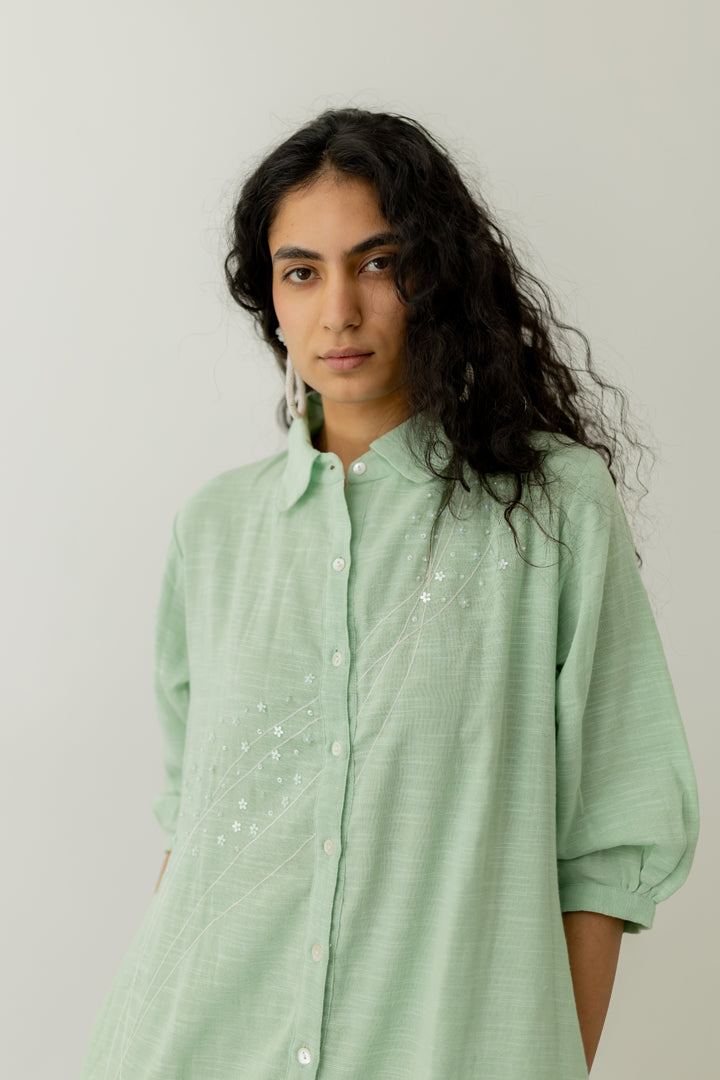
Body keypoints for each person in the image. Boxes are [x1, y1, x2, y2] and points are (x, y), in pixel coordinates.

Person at [78, 107, 699, 1080]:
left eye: (377, 263)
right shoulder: (216, 531)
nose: (339, 311)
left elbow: (608, 847)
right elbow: (191, 837)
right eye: (301, 272)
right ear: (269, 299)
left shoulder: (551, 508)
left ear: (435, 276)